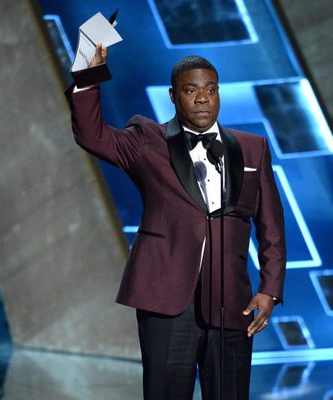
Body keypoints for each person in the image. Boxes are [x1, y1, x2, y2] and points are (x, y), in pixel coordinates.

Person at [67, 44, 286, 400]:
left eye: (210, 89)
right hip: (166, 302)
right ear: (173, 95)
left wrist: (270, 288)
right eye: (191, 90)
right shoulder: (146, 141)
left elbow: (271, 226)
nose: (202, 99)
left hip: (232, 302)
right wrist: (87, 76)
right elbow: (91, 134)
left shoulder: (252, 148)